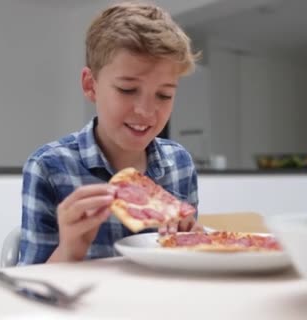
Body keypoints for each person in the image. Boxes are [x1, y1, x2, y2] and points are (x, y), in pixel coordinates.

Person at [19, 1, 202, 265]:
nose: (146, 111)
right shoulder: (49, 167)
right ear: (90, 85)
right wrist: (71, 248)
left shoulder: (180, 164)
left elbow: (185, 265)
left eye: (164, 95)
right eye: (128, 90)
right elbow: (29, 287)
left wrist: (191, 242)